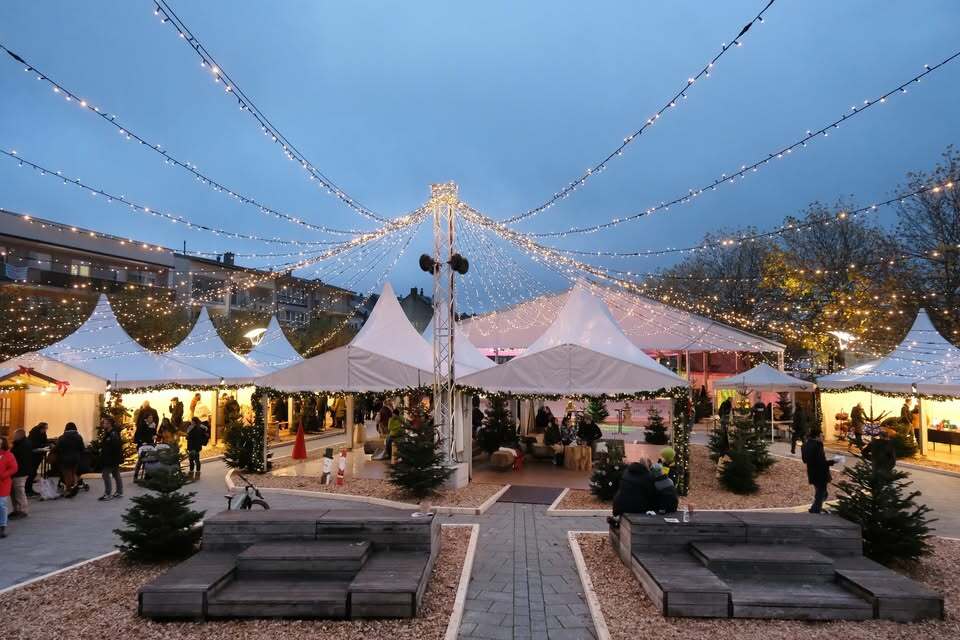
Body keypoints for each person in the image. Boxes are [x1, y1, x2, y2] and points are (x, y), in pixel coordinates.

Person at [801, 428, 836, 514]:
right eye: (821, 435)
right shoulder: (818, 445)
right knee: (821, 492)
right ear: (816, 436)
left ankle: (816, 507)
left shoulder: (805, 445)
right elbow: (821, 462)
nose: (822, 436)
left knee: (821, 492)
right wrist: (833, 461)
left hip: (812, 472)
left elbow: (805, 460)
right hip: (820, 473)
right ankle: (815, 509)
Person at [56, 422, 85, 498]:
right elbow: (82, 448)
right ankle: (74, 487)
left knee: (67, 474)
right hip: (76, 458)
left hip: (65, 458)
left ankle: (69, 490)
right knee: (73, 473)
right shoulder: (79, 437)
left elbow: (57, 448)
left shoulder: (62, 437)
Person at [98, 416, 124, 501]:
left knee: (105, 474)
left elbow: (115, 447)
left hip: (111, 459)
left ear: (109, 424)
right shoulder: (108, 432)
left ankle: (108, 494)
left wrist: (111, 458)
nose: (103, 424)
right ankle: (119, 492)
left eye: (105, 423)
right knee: (116, 474)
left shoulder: (113, 434)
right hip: (111, 458)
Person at [10, 429, 31, 519]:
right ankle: (17, 509)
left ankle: (23, 510)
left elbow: (16, 457)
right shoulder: (23, 443)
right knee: (14, 492)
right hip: (19, 471)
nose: (13, 437)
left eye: (15, 435)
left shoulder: (21, 445)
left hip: (20, 472)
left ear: (20, 435)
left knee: (19, 491)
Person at [25, 422, 50, 496]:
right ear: (41, 428)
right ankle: (27, 489)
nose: (46, 430)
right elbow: (33, 444)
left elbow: (44, 441)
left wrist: (48, 444)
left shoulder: (43, 433)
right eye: (45, 428)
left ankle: (29, 489)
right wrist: (43, 446)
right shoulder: (34, 433)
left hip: (38, 455)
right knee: (31, 472)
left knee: (33, 472)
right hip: (32, 455)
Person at [0, 436, 18, 538]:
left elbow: (14, 468)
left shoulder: (8, 455)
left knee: (1, 504)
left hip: (3, 483)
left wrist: (3, 475)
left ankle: (2, 526)